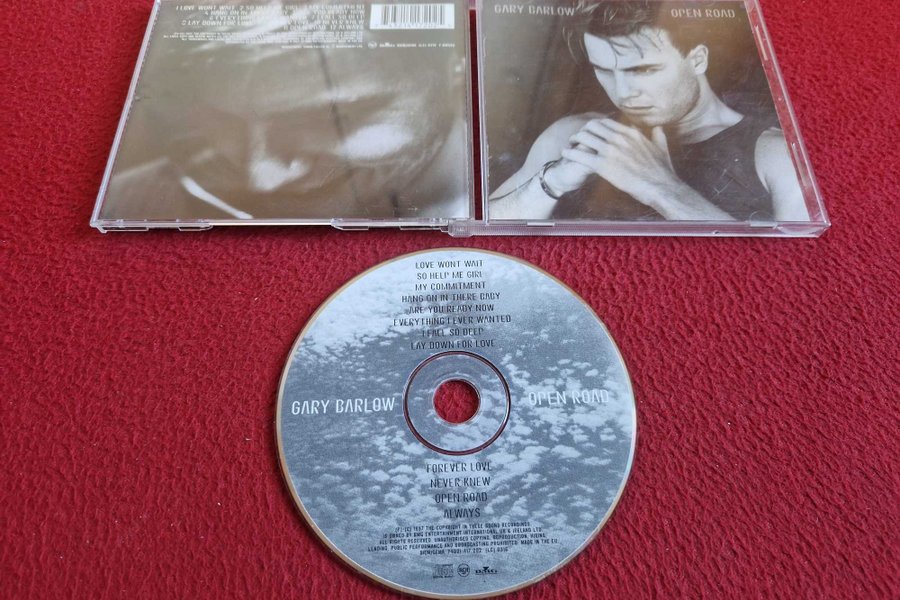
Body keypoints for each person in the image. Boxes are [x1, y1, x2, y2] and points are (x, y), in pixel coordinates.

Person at [488, 0, 809, 222]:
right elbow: (483, 233)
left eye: (642, 70)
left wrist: (660, 187)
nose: (623, 93)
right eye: (604, 70)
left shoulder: (774, 154)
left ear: (697, 59)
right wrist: (552, 182)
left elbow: (790, 277)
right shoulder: (573, 134)